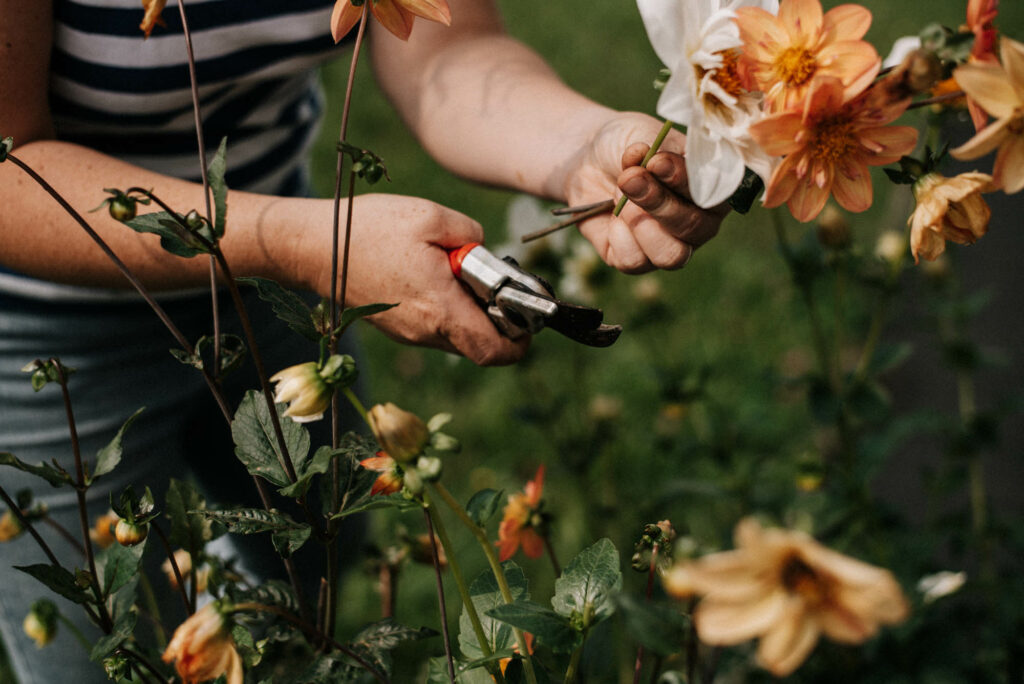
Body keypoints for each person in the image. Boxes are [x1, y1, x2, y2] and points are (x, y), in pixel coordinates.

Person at [0, 0, 726, 681]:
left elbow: (448, 53)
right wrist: (305, 245)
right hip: (49, 335)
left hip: (271, 284)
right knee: (106, 652)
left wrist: (582, 147)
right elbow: (9, 166)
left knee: (312, 566)